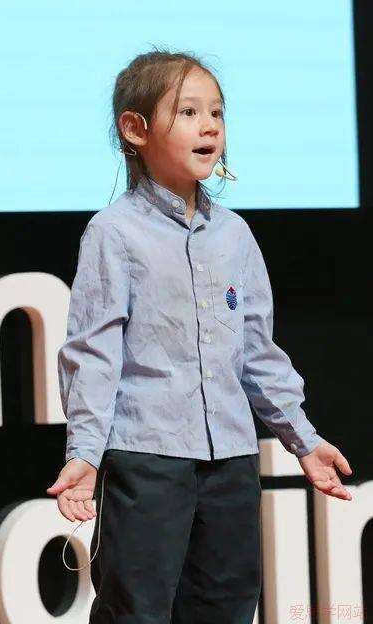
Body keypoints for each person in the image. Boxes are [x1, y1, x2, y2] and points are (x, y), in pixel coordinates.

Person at [46, 47, 353, 624]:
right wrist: (85, 452)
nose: (209, 125)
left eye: (217, 111)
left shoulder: (234, 235)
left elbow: (257, 352)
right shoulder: (115, 232)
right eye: (188, 112)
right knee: (137, 607)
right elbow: (93, 353)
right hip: (148, 458)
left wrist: (304, 441)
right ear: (135, 129)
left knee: (227, 604)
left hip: (231, 459)